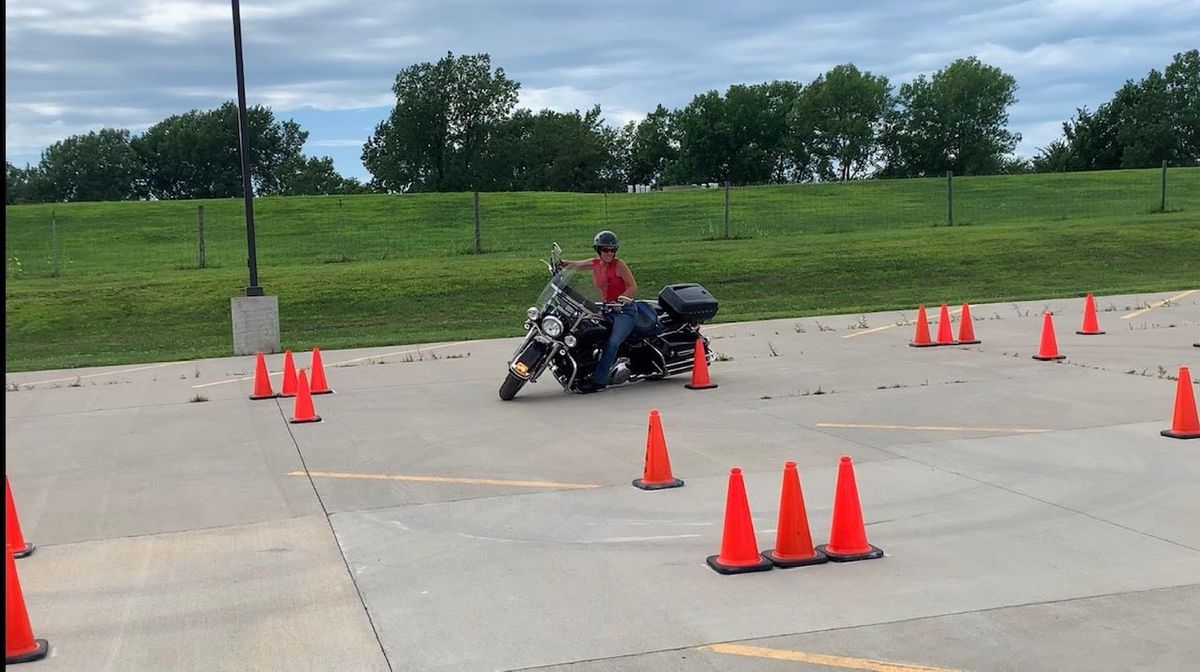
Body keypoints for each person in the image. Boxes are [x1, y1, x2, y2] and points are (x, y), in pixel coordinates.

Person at [562, 230, 639, 393]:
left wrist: (620, 300)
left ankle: (599, 381)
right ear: (598, 250)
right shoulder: (595, 263)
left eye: (612, 250)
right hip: (606, 309)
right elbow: (575, 265)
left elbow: (633, 286)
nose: (609, 253)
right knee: (585, 331)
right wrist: (559, 263)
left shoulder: (619, 265)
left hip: (624, 310)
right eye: (605, 249)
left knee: (612, 343)